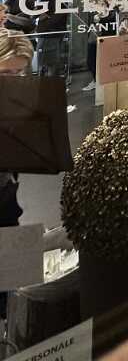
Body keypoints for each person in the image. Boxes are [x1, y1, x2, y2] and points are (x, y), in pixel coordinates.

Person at [0, 29, 34, 320]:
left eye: (20, 73)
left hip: (7, 201)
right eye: (6, 73)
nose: (14, 80)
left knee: (11, 290)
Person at [34, 0, 68, 77]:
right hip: (51, 34)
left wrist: (47, 19)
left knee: (48, 64)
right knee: (50, 62)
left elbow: (34, 14)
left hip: (49, 35)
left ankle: (49, 85)